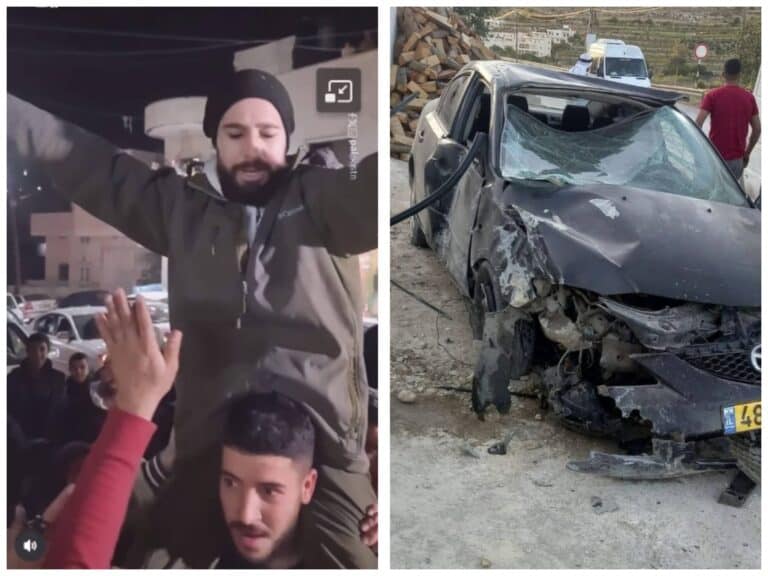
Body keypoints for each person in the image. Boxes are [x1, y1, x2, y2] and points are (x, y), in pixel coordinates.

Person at [9, 67, 377, 567]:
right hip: (206, 436)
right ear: (214, 142)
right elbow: (83, 160)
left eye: (268, 134)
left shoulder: (323, 200)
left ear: (288, 142)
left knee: (363, 556)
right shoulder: (179, 208)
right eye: (235, 133)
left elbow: (378, 189)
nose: (253, 148)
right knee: (137, 546)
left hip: (324, 447)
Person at [696, 58, 761, 180]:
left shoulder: (712, 96)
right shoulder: (749, 98)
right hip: (737, 161)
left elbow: (698, 124)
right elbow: (757, 129)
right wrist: (747, 153)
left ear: (723, 74)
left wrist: (702, 150)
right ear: (739, 75)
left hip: (715, 158)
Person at [8, 333, 67, 441]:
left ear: (48, 351)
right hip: (20, 441)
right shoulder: (14, 377)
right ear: (27, 352)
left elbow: (62, 412)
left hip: (51, 441)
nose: (37, 354)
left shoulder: (59, 378)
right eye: (33, 349)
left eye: (42, 349)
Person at [61, 353, 106, 444]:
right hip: (72, 437)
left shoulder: (96, 389)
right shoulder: (64, 389)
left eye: (82, 367)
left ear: (88, 368)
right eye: (74, 368)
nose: (78, 371)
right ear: (69, 369)